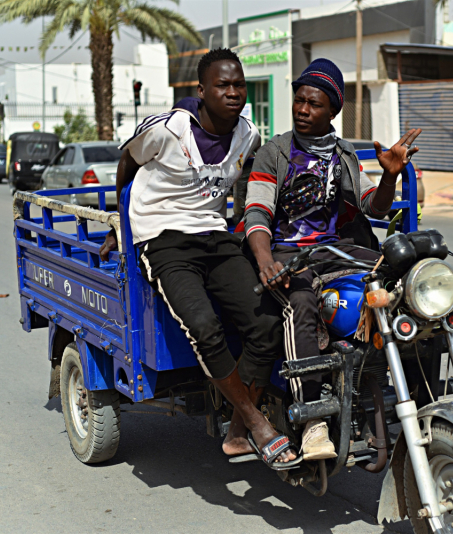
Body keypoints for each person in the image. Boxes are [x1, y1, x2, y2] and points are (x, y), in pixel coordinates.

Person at [98, 48, 297, 468]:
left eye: (239, 85)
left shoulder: (248, 133)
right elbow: (125, 165)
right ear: (202, 90)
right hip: (163, 238)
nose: (233, 92)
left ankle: (240, 431)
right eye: (222, 85)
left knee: (266, 321)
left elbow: (246, 187)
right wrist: (122, 225)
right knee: (204, 327)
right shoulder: (169, 129)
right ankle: (257, 424)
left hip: (213, 235)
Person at [240, 58, 420, 460]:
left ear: (333, 111)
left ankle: (411, 391)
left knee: (401, 278)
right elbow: (256, 212)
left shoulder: (344, 154)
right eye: (299, 101)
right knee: (300, 302)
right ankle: (312, 420)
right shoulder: (274, 153)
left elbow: (374, 207)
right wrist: (266, 261)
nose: (303, 110)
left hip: (333, 248)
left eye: (314, 104)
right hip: (284, 252)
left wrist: (390, 175)